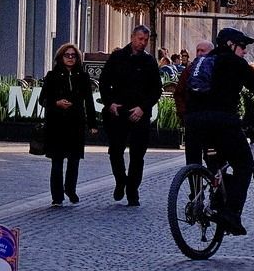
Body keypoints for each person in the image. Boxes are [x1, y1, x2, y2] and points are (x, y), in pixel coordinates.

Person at [181, 28, 254, 235]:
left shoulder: (201, 62)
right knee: (244, 164)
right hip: (222, 121)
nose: (245, 52)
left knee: (215, 165)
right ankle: (231, 214)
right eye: (242, 47)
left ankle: (208, 203)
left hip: (194, 122)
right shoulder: (234, 63)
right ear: (230, 45)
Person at [99, 24, 163, 206]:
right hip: (118, 112)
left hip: (139, 113)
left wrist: (142, 108)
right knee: (115, 151)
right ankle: (120, 180)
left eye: (145, 40)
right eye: (140, 39)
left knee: (137, 155)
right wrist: (109, 103)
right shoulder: (117, 57)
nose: (142, 43)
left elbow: (156, 90)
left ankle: (132, 190)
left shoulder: (149, 61)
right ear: (132, 37)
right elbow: (104, 83)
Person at [36, 43, 96, 205]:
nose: (70, 58)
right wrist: (56, 102)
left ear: (77, 58)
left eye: (73, 55)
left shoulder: (83, 77)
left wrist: (92, 123)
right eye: (67, 55)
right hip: (56, 123)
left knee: (74, 159)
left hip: (76, 122)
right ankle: (57, 196)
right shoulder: (52, 75)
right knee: (57, 160)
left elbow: (89, 101)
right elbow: (42, 99)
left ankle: (70, 188)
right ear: (60, 57)